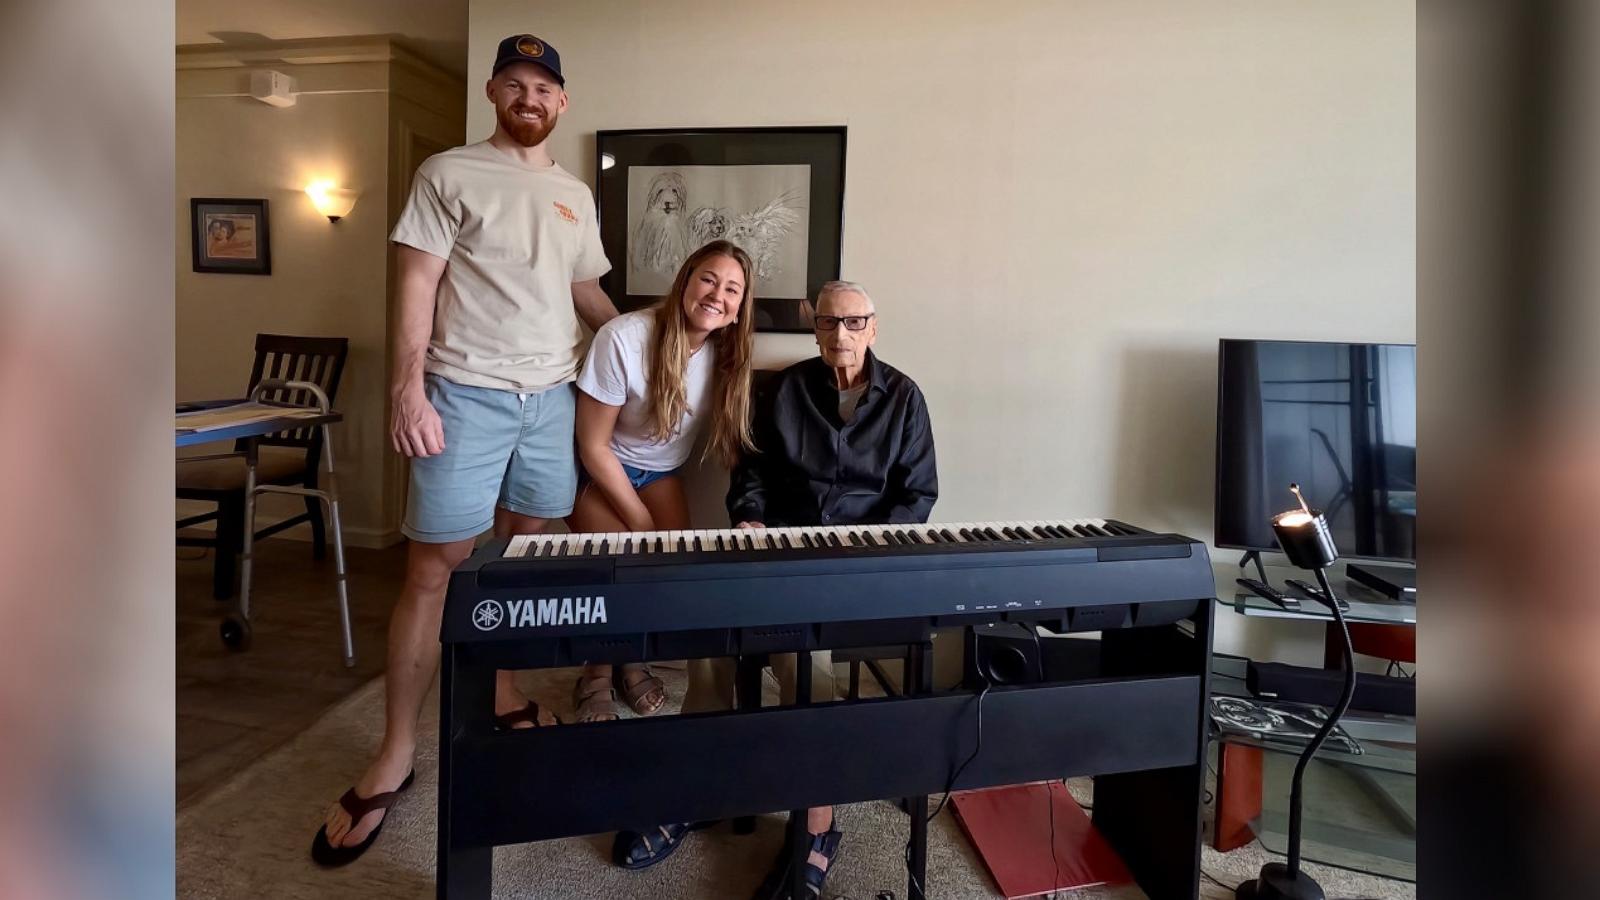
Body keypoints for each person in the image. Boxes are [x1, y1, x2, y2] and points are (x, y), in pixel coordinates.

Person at [311, 33, 620, 867]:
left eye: (544, 87)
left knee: (520, 562)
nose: (530, 97)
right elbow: (415, 282)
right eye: (515, 83)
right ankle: (396, 750)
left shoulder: (574, 195)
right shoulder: (446, 173)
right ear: (494, 93)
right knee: (434, 565)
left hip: (551, 401)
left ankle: (505, 692)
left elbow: (586, 291)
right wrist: (406, 390)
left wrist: (646, 345)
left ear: (562, 103)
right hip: (463, 394)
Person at [619, 281, 937, 897]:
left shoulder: (905, 398)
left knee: (799, 654)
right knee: (710, 631)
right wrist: (751, 517)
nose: (839, 335)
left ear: (874, 327)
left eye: (853, 323)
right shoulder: (787, 389)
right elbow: (752, 471)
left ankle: (817, 821)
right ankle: (700, 786)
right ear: (813, 328)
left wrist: (868, 548)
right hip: (780, 551)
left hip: (857, 566)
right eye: (827, 323)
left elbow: (918, 493)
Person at [566, 239, 757, 725]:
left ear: (738, 310)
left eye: (732, 289)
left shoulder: (726, 352)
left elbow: (737, 442)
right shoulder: (624, 337)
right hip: (596, 466)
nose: (717, 295)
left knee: (672, 568)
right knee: (619, 561)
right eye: (709, 279)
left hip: (659, 473)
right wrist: (638, 519)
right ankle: (595, 672)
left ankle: (632, 656)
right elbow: (592, 444)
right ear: (685, 281)